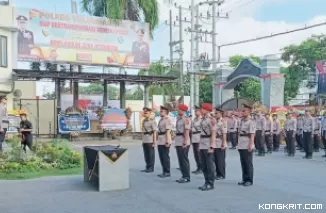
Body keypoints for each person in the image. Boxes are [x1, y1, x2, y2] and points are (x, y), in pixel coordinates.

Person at [198, 103, 216, 191]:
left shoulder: (211, 120)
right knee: (203, 165)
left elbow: (213, 133)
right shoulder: (202, 119)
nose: (201, 110)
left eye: (202, 109)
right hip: (202, 144)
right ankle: (206, 181)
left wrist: (212, 146)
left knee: (209, 165)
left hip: (208, 143)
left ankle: (210, 183)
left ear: (207, 110)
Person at [237, 103, 255, 187]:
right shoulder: (241, 121)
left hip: (247, 143)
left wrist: (251, 145)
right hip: (241, 143)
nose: (242, 112)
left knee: (248, 163)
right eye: (242, 110)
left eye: (244, 111)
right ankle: (244, 179)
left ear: (249, 112)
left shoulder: (251, 122)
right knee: (243, 163)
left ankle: (249, 180)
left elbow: (252, 134)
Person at [175, 104, 191, 183]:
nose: (177, 110)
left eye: (179, 109)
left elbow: (187, 131)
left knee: (184, 159)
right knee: (180, 159)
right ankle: (183, 175)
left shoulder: (186, 119)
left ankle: (186, 176)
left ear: (182, 110)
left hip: (183, 140)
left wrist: (185, 141)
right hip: (178, 140)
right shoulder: (179, 118)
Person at [157, 105, 173, 178]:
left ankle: (167, 171)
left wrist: (168, 141)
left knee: (165, 156)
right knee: (161, 156)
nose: (160, 112)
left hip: (165, 139)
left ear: (166, 112)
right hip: (160, 139)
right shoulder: (161, 119)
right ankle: (164, 171)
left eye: (162, 111)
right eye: (160, 111)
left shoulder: (168, 119)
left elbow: (168, 131)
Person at [141, 107, 157, 173]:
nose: (145, 114)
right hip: (145, 140)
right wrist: (142, 141)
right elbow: (143, 131)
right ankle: (147, 166)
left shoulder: (152, 121)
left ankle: (151, 168)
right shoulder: (144, 121)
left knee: (151, 155)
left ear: (150, 113)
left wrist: (154, 142)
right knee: (146, 154)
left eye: (146, 113)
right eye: (144, 113)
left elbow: (155, 132)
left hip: (150, 139)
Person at [213, 106, 227, 180]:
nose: (215, 114)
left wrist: (224, 143)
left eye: (216, 113)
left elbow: (224, 133)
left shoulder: (223, 122)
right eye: (215, 113)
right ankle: (218, 173)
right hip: (215, 142)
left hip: (220, 142)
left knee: (220, 159)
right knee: (215, 159)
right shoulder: (215, 122)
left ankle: (221, 174)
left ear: (221, 113)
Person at [191, 105, 202, 174]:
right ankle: (198, 167)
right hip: (194, 138)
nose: (195, 112)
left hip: (199, 138)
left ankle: (201, 168)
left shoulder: (201, 119)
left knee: (199, 154)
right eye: (195, 111)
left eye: (197, 111)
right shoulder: (194, 119)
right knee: (195, 154)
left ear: (200, 111)